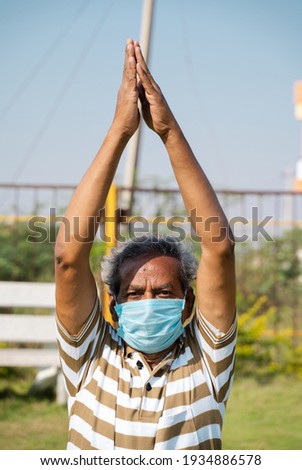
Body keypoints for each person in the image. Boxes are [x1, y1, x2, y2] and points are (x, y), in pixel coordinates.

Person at [55, 39, 237, 450]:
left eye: (164, 292)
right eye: (134, 293)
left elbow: (219, 248)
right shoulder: (89, 359)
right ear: (114, 306)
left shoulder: (208, 361)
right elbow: (68, 258)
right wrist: (120, 130)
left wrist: (168, 131)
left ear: (188, 304)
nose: (149, 301)